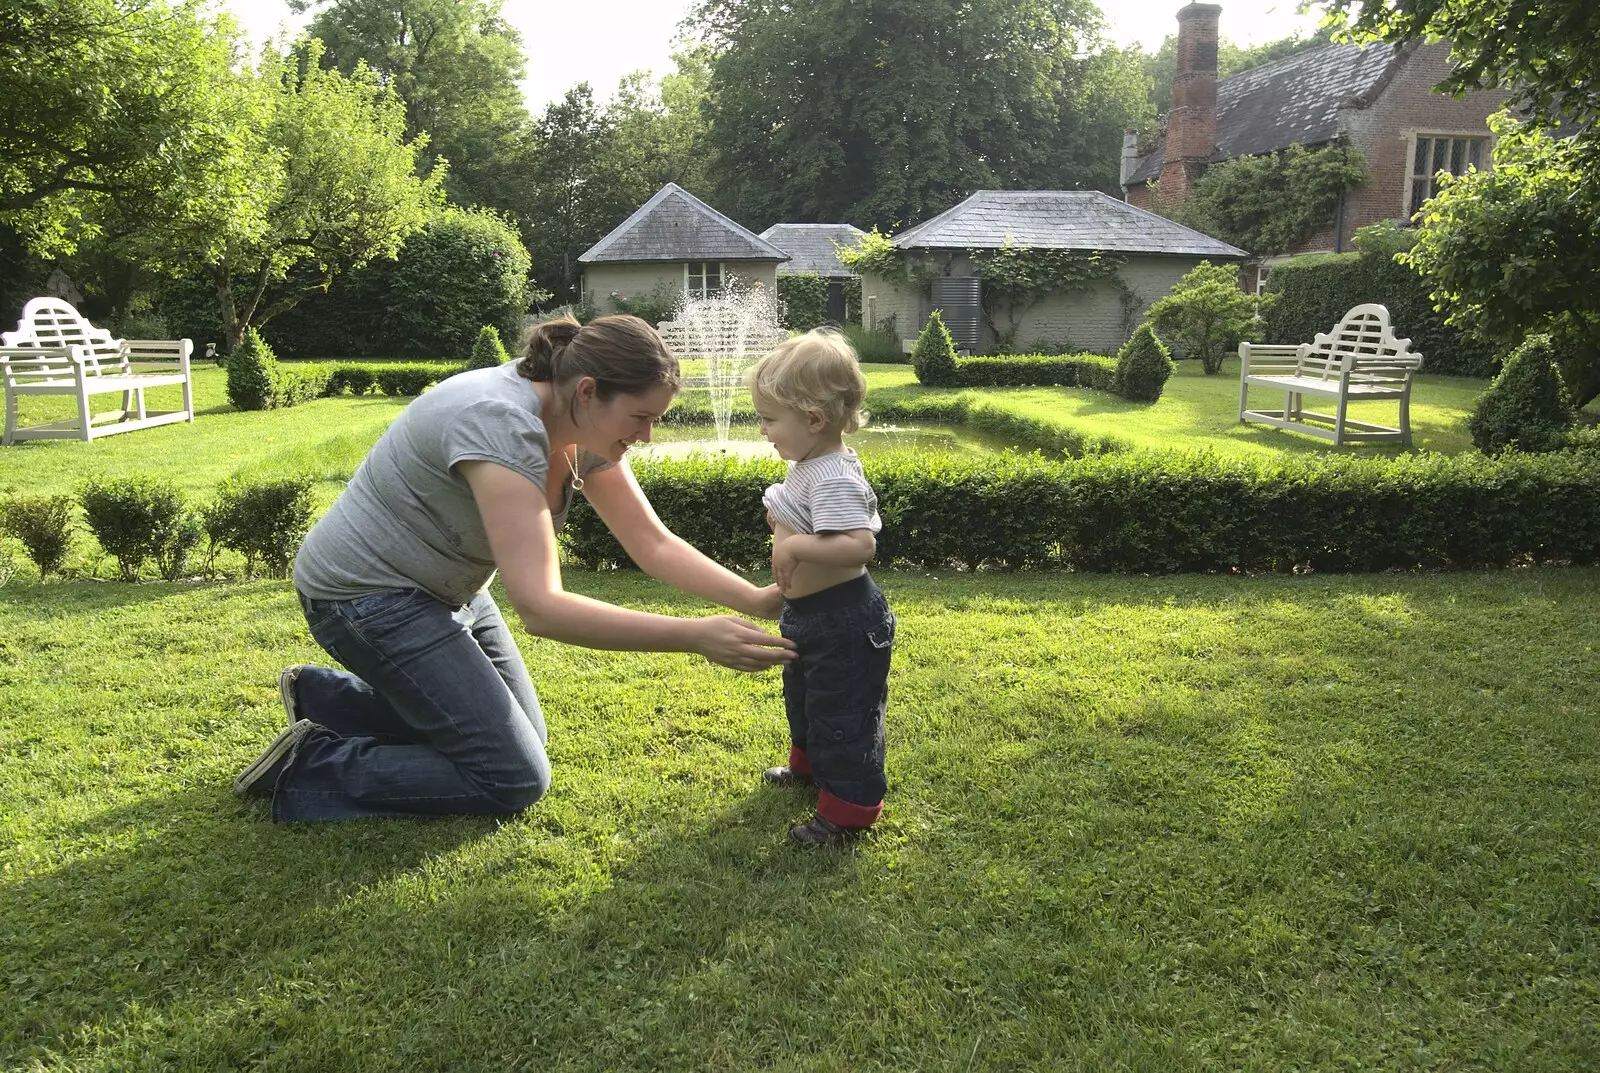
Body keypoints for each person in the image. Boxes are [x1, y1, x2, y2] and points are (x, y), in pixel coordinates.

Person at [232, 314, 796, 822]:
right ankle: (311, 764)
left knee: (525, 738)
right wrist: (696, 636)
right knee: (512, 775)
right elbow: (542, 608)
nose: (646, 437)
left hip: (448, 589)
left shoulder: (582, 421)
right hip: (364, 598)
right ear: (588, 390)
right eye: (641, 417)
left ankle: (324, 699)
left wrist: (755, 598)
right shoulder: (498, 421)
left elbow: (652, 544)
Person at [746, 329, 896, 846]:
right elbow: (812, 523)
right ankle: (808, 769)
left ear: (813, 419)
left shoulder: (832, 474)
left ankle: (850, 810)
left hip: (843, 619)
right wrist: (784, 521)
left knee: (843, 712)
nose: (763, 429)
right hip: (812, 616)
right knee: (807, 699)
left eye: (769, 418)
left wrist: (794, 549)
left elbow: (858, 547)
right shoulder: (810, 466)